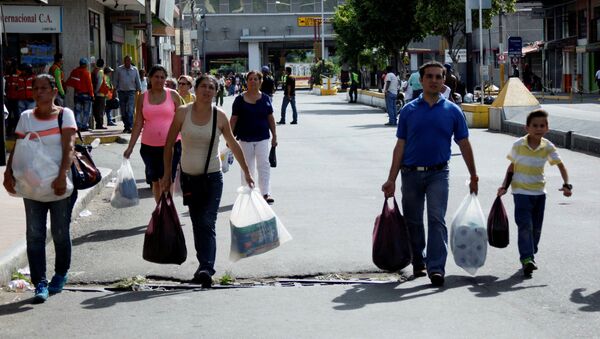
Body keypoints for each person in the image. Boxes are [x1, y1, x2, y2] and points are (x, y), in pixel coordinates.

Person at [381, 61, 478, 287]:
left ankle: (436, 267)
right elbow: (400, 147)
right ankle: (418, 260)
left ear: (444, 80)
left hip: (438, 174)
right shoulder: (408, 111)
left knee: (436, 219)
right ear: (422, 80)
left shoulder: (453, 111)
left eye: (438, 77)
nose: (434, 80)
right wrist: (391, 179)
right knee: (413, 221)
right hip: (410, 174)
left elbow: (464, 143)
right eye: (430, 77)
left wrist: (474, 174)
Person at [160, 74, 254, 288]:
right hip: (189, 179)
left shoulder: (219, 115)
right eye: (203, 86)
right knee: (196, 222)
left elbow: (233, 143)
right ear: (196, 89)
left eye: (212, 88)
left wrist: (247, 172)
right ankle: (203, 264)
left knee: (206, 221)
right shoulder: (183, 112)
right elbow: (168, 145)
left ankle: (207, 268)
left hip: (212, 178)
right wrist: (167, 175)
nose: (207, 91)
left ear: (216, 92)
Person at [3, 74, 78, 303]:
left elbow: (70, 147)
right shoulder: (26, 117)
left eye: (44, 88)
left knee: (59, 232)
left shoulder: (65, 115)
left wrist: (62, 176)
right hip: (32, 185)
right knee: (34, 235)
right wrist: (8, 173)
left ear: (54, 91)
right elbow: (18, 148)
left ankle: (60, 274)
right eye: (36, 88)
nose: (39, 92)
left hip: (59, 184)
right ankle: (40, 283)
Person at [497, 109, 571, 277]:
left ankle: (530, 252)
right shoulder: (518, 145)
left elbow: (560, 165)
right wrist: (505, 186)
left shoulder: (548, 146)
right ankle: (527, 258)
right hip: (521, 192)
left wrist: (567, 184)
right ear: (527, 128)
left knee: (536, 229)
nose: (539, 128)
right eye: (535, 125)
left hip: (539, 193)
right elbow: (511, 167)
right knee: (525, 226)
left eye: (542, 125)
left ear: (547, 128)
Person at [123, 65, 183, 203]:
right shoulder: (142, 97)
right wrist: (130, 147)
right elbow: (138, 123)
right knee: (155, 181)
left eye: (162, 77)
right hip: (149, 147)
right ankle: (160, 209)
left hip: (172, 146)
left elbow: (182, 121)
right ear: (150, 78)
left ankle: (168, 209)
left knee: (167, 179)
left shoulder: (173, 95)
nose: (159, 80)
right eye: (156, 77)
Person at [231, 70, 278, 203]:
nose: (252, 81)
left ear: (260, 81)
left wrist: (274, 136)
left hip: (262, 137)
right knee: (246, 166)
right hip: (245, 138)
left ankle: (265, 193)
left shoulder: (265, 98)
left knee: (264, 165)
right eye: (250, 79)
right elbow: (233, 119)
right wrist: (229, 137)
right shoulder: (239, 99)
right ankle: (248, 192)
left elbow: (270, 118)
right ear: (247, 82)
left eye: (255, 79)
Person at [113, 55, 142, 133]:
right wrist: (114, 91)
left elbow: (137, 80)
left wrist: (139, 90)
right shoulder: (119, 69)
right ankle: (126, 126)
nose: (128, 62)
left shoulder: (134, 70)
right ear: (124, 61)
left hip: (131, 92)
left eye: (129, 61)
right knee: (123, 111)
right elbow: (115, 80)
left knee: (130, 109)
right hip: (121, 92)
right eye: (126, 61)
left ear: (131, 61)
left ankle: (130, 126)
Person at [66, 58, 94, 131]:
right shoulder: (86, 73)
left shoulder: (75, 71)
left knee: (78, 111)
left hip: (77, 94)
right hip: (86, 95)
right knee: (86, 111)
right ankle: (84, 126)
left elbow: (70, 80)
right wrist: (92, 95)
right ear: (85, 65)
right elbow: (89, 85)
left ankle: (78, 125)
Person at [91, 58, 107, 129]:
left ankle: (98, 124)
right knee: (100, 110)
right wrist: (96, 91)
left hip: (96, 93)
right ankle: (100, 124)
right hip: (100, 93)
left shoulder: (94, 70)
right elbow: (100, 83)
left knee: (97, 109)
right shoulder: (100, 71)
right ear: (103, 64)